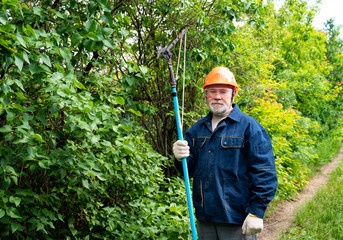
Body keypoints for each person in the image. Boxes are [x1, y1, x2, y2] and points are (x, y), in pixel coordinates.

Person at [173, 66, 278, 240]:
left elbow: (264, 172)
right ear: (206, 95)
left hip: (237, 220)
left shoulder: (249, 127)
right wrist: (179, 158)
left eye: (223, 91)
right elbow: (188, 170)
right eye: (212, 91)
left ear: (233, 94)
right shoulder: (196, 130)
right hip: (204, 219)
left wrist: (257, 212)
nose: (217, 96)